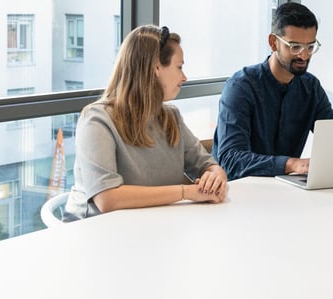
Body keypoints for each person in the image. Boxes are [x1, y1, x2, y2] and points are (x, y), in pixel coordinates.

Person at [63, 25, 227, 221]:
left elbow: (207, 165)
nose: (184, 77)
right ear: (156, 67)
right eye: (179, 67)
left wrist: (215, 177)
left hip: (151, 229)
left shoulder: (170, 116)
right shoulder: (96, 120)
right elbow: (107, 199)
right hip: (96, 235)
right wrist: (185, 192)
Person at [213, 2, 333, 179]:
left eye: (310, 47)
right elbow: (231, 160)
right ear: (273, 43)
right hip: (239, 193)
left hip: (284, 191)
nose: (304, 55)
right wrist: (291, 164)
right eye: (295, 47)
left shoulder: (311, 88)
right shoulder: (240, 87)